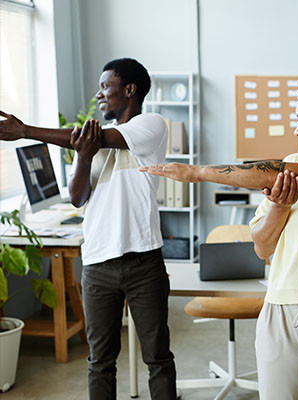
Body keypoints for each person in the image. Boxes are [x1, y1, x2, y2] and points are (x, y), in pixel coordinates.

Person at [139, 76, 298, 399]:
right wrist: (278, 207)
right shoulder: (294, 166)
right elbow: (261, 246)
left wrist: (198, 172)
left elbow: (276, 173)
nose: (296, 130)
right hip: (281, 315)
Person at [0, 58, 177, 400]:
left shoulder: (150, 125)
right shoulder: (90, 140)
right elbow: (78, 197)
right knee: (99, 362)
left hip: (144, 263)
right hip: (97, 265)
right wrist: (82, 156)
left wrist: (25, 131)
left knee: (158, 358)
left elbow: (104, 140)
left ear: (129, 90)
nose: (99, 95)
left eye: (105, 87)